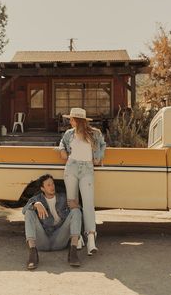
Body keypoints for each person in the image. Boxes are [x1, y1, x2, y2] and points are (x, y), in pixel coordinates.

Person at [58, 107, 106, 255]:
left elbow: (103, 145)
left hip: (87, 169)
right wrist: (62, 150)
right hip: (71, 168)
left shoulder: (94, 134)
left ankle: (91, 237)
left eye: (71, 119)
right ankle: (76, 236)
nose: (70, 121)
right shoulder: (69, 134)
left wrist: (98, 156)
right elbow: (62, 144)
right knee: (72, 202)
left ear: (77, 120)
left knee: (88, 203)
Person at [22, 174, 82, 270]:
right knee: (29, 212)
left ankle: (73, 253)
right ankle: (33, 254)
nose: (52, 187)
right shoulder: (37, 199)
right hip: (42, 241)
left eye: (52, 184)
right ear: (42, 188)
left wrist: (77, 206)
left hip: (59, 239)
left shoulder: (63, 197)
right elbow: (24, 210)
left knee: (76, 211)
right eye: (48, 185)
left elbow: (77, 216)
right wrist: (35, 204)